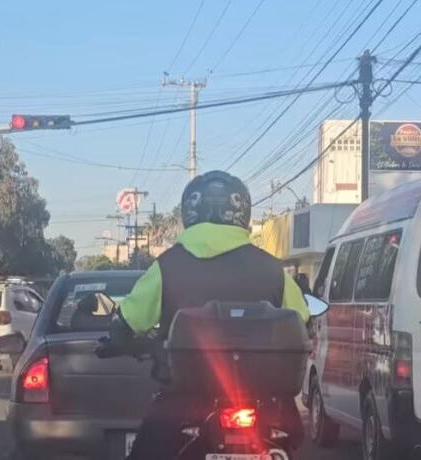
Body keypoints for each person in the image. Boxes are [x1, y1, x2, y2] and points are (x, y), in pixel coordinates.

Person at [114, 170, 310, 460]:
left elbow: (131, 320)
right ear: (242, 212)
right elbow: (301, 318)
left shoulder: (168, 266)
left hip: (184, 402)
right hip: (267, 404)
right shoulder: (271, 269)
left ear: (190, 212)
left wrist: (119, 337)